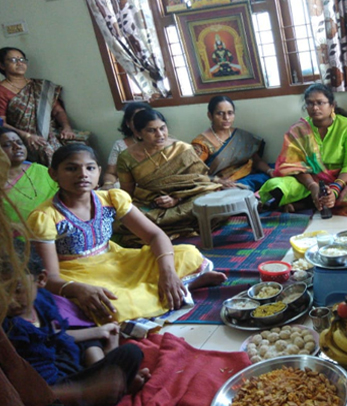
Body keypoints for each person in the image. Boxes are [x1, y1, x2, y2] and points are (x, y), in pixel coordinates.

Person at [27, 144, 227, 324]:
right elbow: (50, 278)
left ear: (99, 172)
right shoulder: (45, 217)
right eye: (71, 169)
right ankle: (183, 287)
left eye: (90, 168)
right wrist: (78, 289)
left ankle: (172, 286)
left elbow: (155, 236)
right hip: (78, 274)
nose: (83, 174)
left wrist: (168, 273)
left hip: (117, 262)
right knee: (113, 305)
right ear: (53, 174)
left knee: (188, 253)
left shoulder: (111, 199)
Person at [2, 241, 150, 400]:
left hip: (66, 364)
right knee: (126, 355)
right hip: (51, 389)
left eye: (17, 290)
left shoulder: (42, 301)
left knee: (126, 351)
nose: (10, 300)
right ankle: (106, 388)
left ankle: (105, 377)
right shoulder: (7, 328)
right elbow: (27, 391)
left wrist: (99, 331)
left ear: (41, 279)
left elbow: (54, 335)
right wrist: (85, 391)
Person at [258, 83, 347, 215]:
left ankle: (306, 204)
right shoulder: (298, 130)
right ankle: (315, 200)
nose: (315, 108)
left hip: (344, 179)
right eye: (310, 103)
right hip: (311, 179)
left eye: (320, 103)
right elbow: (294, 166)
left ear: (332, 105)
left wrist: (335, 189)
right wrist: (312, 186)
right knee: (275, 186)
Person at [117, 109, 227, 240]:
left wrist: (176, 198)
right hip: (151, 204)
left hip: (186, 200)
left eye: (162, 128)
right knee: (124, 218)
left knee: (210, 197)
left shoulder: (182, 149)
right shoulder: (126, 158)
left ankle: (159, 230)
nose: (160, 135)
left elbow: (200, 181)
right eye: (151, 130)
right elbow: (127, 193)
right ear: (138, 133)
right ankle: (165, 227)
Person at [0, 47, 89, 166]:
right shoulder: (2, 90)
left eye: (22, 59)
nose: (20, 63)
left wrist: (66, 127)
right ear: (2, 65)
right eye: (13, 60)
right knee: (48, 152)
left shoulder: (41, 86)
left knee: (81, 147)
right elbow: (2, 123)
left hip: (51, 133)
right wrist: (26, 136)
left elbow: (58, 111)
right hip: (24, 138)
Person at [191, 95, 273, 191]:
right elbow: (193, 174)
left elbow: (256, 161)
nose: (226, 118)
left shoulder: (241, 136)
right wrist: (217, 181)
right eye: (220, 113)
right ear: (210, 115)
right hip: (223, 184)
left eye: (230, 113)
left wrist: (270, 171)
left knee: (278, 171)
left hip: (247, 175)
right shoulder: (201, 143)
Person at [1, 127, 58, 223]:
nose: (17, 147)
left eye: (20, 143)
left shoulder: (40, 170)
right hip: (19, 232)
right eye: (7, 145)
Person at [101, 102, 151, 190]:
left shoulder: (162, 143)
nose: (140, 123)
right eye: (135, 119)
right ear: (128, 123)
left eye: (144, 119)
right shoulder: (120, 145)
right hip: (125, 187)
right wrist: (108, 184)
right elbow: (111, 173)